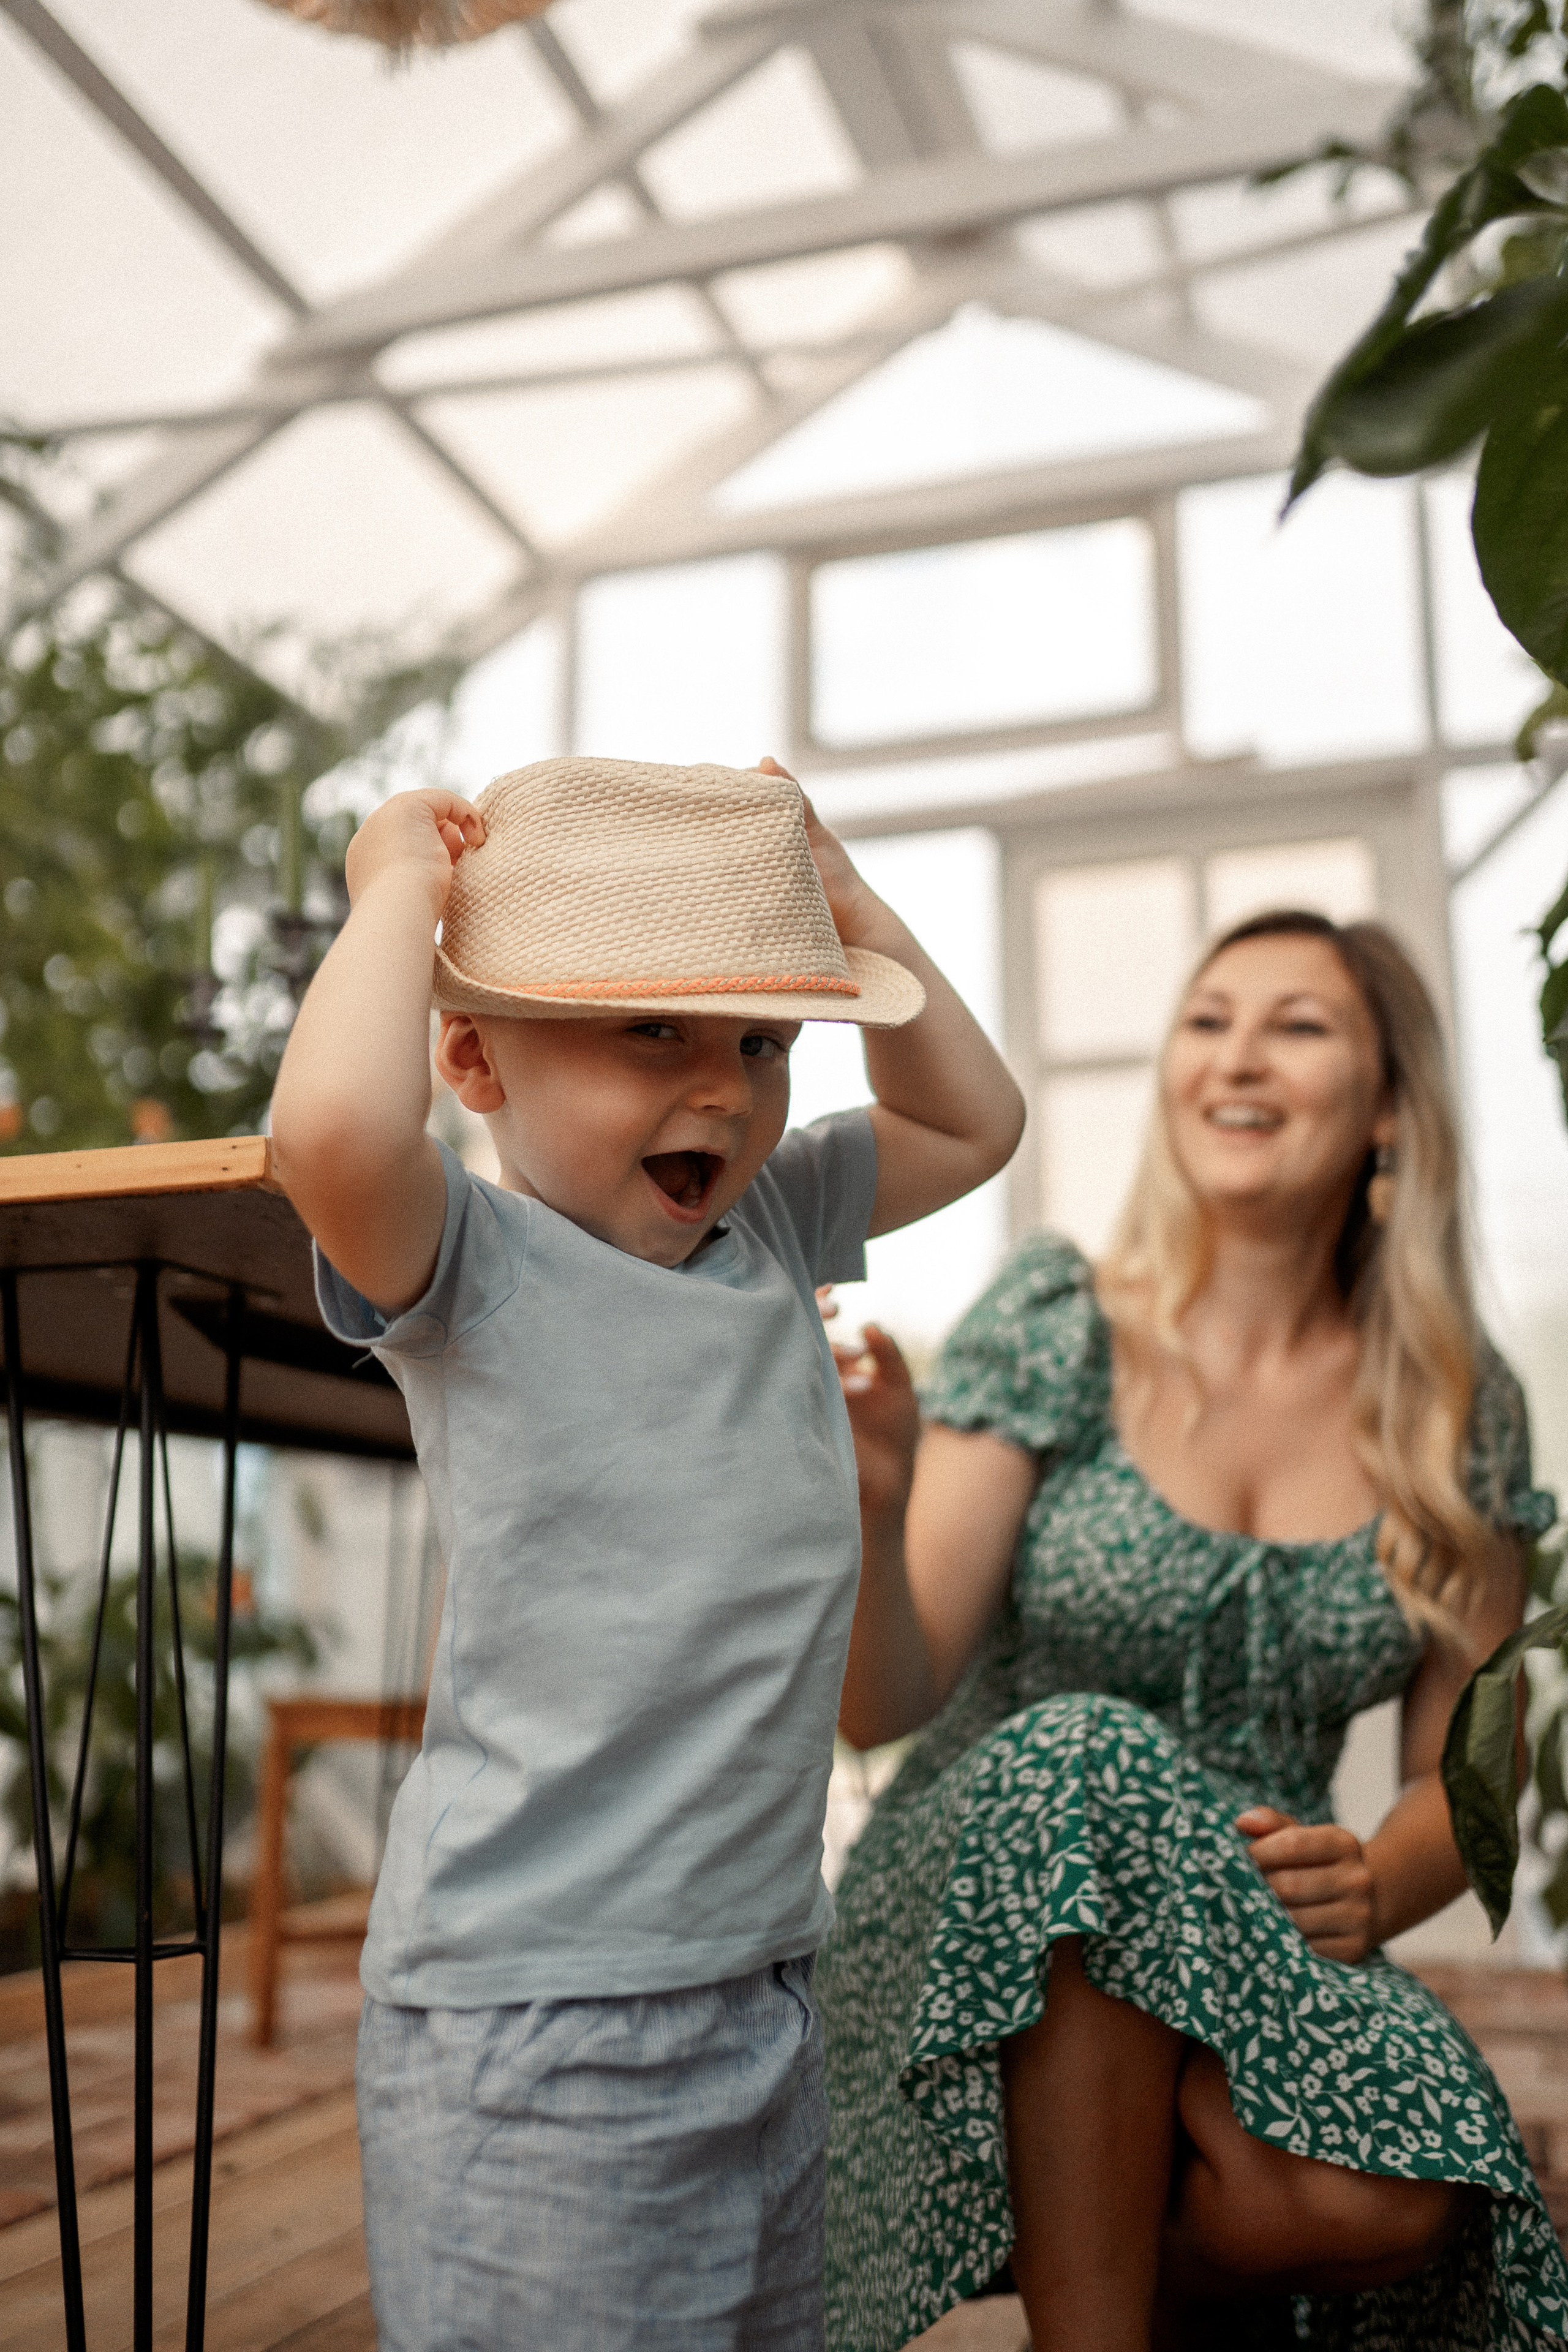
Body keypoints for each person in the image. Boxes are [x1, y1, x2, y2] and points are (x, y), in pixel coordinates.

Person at [268, 753, 1024, 2352]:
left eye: (762, 1039)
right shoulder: (465, 1261)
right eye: (651, 1031)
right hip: (537, 2019)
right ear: (472, 1055)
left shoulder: (776, 1222)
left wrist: (845, 900)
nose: (727, 1089)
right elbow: (330, 1124)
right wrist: (399, 884)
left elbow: (977, 1117)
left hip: (761, 1984)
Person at [818, 909, 1568, 2352]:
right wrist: (872, 1505)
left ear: (1388, 1110)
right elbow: (879, 1702)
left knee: (1387, 2200)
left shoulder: (1454, 1407)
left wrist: (1372, 1876)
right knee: (1089, 1764)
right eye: (1207, 1019)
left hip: (1251, 1916)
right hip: (991, 1880)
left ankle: (1048, 2258)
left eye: (1296, 1026)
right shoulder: (1057, 1321)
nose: (1235, 1059)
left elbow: (1466, 1785)